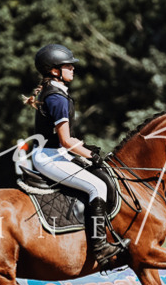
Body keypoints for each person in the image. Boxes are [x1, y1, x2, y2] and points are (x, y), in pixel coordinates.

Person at [24, 44, 127, 267]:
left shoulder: (57, 93)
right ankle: (100, 246)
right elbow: (66, 140)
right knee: (96, 187)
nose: (72, 68)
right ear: (54, 71)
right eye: (67, 65)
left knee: (102, 176)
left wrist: (87, 150)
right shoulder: (57, 98)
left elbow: (66, 139)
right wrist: (92, 156)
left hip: (56, 152)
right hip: (49, 157)